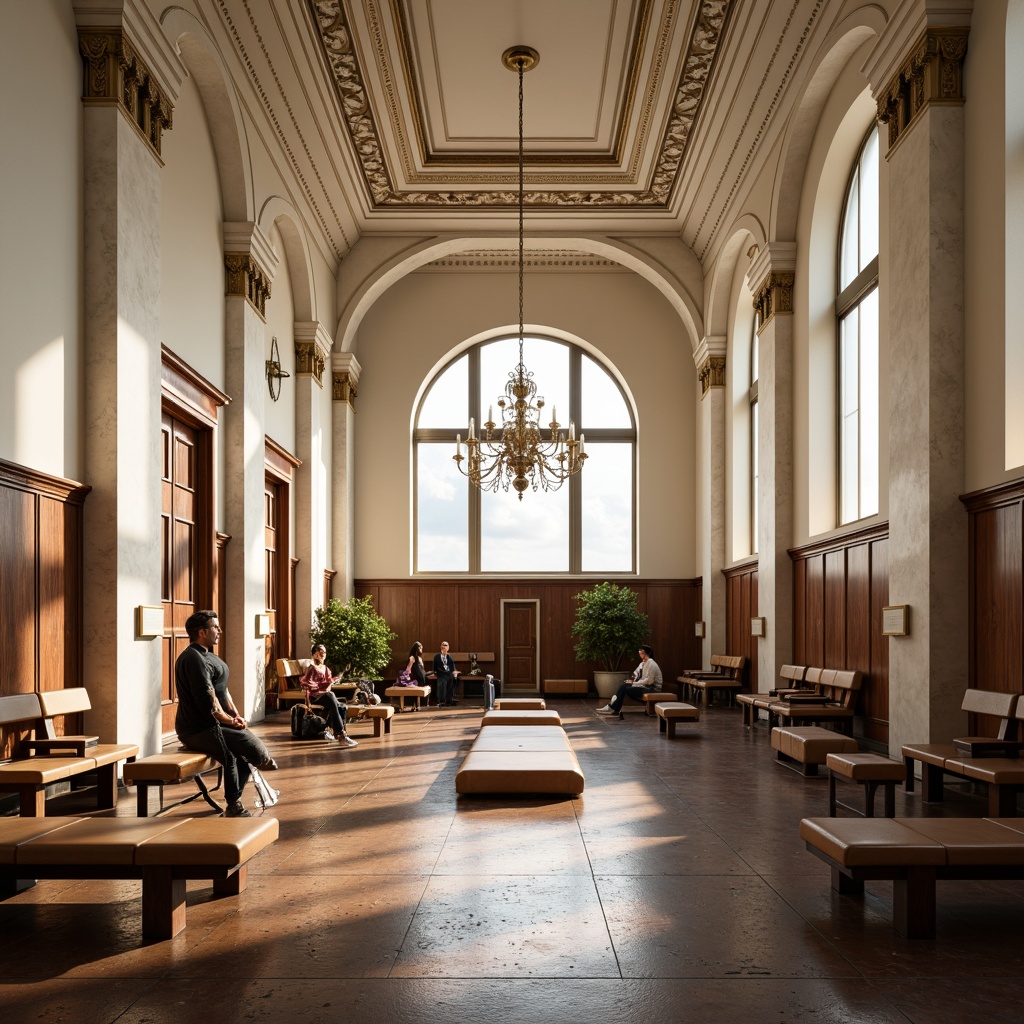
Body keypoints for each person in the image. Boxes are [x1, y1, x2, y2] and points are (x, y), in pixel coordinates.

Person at [175, 610, 278, 818]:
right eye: (215, 627)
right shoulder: (193, 658)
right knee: (231, 757)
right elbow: (209, 702)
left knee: (245, 757)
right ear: (202, 632)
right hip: (197, 728)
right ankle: (234, 805)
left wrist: (235, 715)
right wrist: (230, 721)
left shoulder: (209, 655)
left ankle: (237, 797)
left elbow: (223, 689)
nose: (219, 631)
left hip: (216, 723)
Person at [300, 644, 358, 747]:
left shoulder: (325, 668)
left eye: (324, 652)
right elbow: (307, 685)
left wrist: (330, 683)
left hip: (325, 695)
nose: (323, 654)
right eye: (320, 652)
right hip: (315, 697)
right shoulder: (311, 669)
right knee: (331, 698)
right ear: (314, 653)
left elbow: (328, 685)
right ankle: (341, 735)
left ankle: (337, 734)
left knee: (340, 705)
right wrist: (321, 687)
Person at [596, 645, 663, 716]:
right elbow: (636, 673)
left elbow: (649, 681)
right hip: (646, 686)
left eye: (642, 651)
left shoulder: (651, 663)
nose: (640, 652)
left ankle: (612, 708)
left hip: (652, 689)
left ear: (646, 652)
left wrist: (635, 683)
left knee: (625, 689)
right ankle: (613, 708)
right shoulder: (643, 663)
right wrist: (633, 680)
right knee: (624, 686)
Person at [432, 641, 460, 707]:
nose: (444, 646)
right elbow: (434, 667)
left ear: (448, 648)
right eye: (443, 645)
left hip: (449, 674)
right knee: (442, 680)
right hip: (441, 674)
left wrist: (454, 673)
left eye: (446, 645)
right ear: (440, 647)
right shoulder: (437, 656)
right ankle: (441, 701)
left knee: (454, 679)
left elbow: (453, 668)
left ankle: (449, 700)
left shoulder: (449, 658)